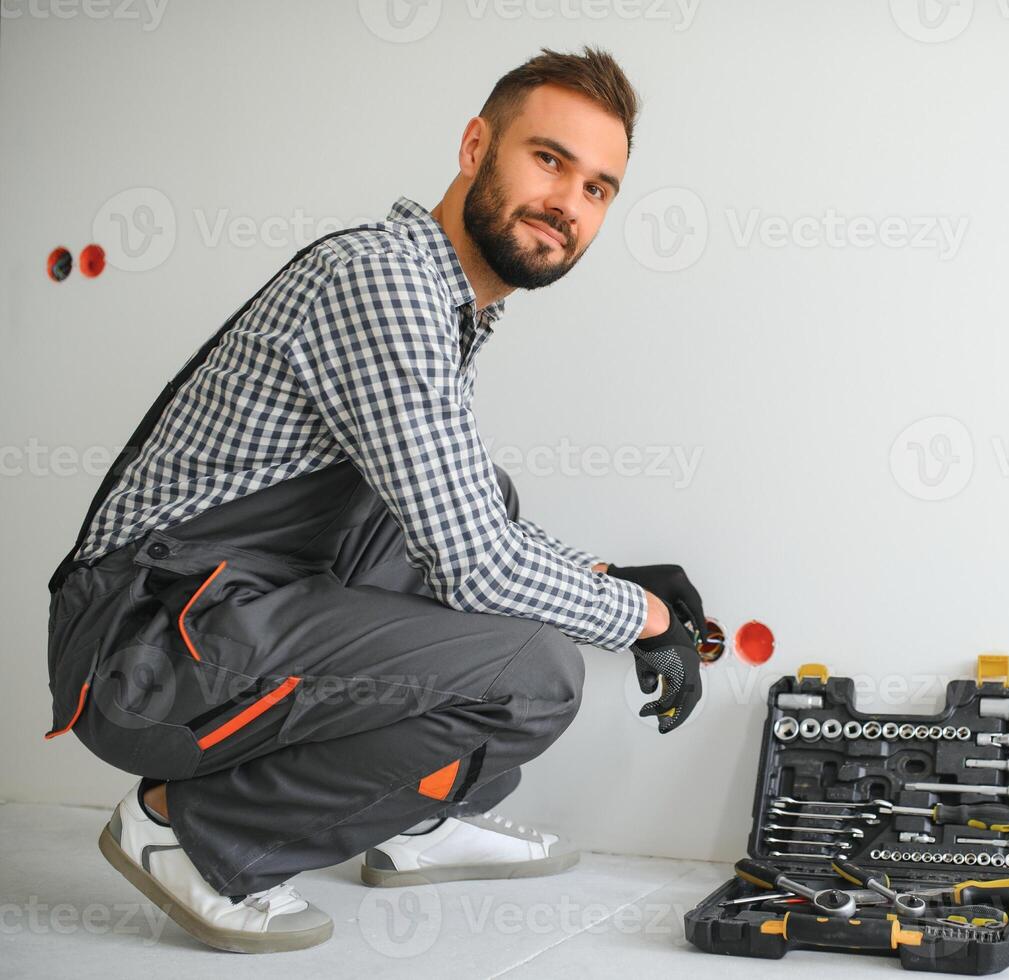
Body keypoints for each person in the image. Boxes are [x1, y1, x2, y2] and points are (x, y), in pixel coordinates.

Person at [42, 45, 705, 954]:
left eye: (597, 188)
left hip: (219, 613)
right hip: (149, 650)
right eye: (548, 160)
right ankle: (192, 838)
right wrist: (642, 616)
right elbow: (475, 564)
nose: (567, 203)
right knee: (532, 675)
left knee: (480, 502)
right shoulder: (385, 281)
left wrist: (603, 576)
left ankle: (413, 818)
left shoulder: (445, 301)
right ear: (476, 146)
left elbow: (466, 516)